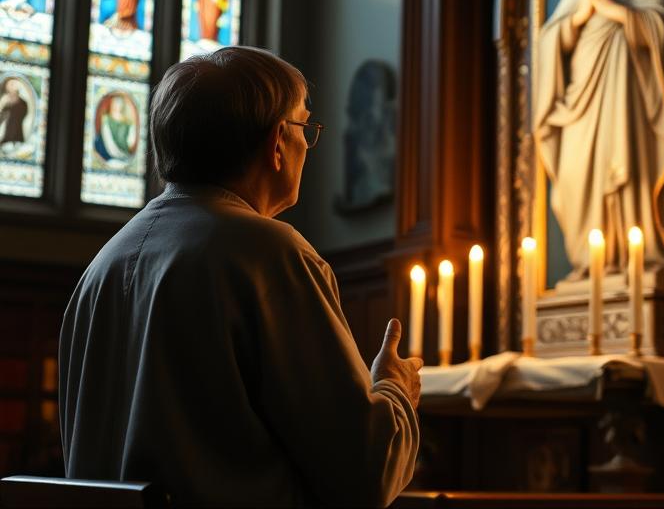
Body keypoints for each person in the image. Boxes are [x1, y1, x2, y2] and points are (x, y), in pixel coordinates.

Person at [59, 46, 422, 507]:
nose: (307, 146)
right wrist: (395, 389)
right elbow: (366, 473)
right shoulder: (269, 254)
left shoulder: (103, 265)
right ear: (277, 143)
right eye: (305, 128)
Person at [534, 0, 664, 277]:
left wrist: (616, 13)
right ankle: (590, 260)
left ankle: (640, 255)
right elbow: (550, 42)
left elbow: (663, 27)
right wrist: (578, 18)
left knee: (626, 166)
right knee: (576, 172)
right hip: (581, 98)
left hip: (624, 95)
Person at [93, 92, 136, 164]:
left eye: (119, 103)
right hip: (106, 154)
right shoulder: (106, 119)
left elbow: (129, 140)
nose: (117, 105)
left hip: (123, 153)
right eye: (115, 103)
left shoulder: (127, 123)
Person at [0, 77, 29, 145]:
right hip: (5, 138)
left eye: (13, 84)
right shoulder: (5, 102)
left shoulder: (23, 103)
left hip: (17, 138)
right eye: (10, 84)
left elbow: (22, 116)